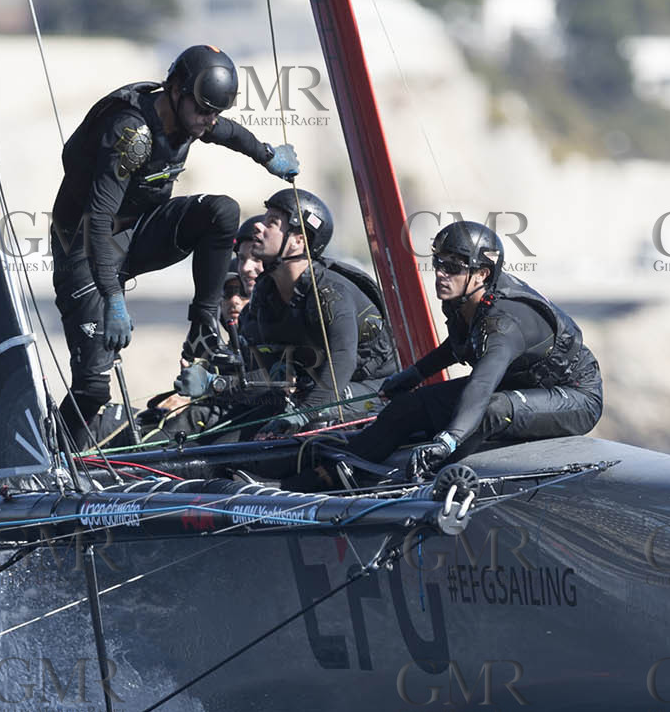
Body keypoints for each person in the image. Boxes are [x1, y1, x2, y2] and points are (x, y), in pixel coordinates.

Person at [49, 44, 300, 441]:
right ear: (175, 90)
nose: (208, 121)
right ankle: (56, 457)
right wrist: (113, 296)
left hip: (138, 232)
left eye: (213, 112)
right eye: (203, 111)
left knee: (221, 212)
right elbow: (97, 219)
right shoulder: (131, 134)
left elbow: (230, 133)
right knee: (93, 386)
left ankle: (202, 323)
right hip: (83, 243)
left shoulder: (192, 117)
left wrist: (267, 156)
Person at [292, 219, 601, 486]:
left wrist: (448, 439)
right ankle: (335, 473)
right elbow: (458, 345)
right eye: (438, 262)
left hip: (573, 395)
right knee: (410, 406)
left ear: (481, 274)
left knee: (490, 410)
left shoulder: (504, 324)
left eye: (452, 267)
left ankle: (432, 481)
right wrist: (412, 375)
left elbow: (481, 384)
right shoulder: (461, 300)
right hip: (519, 386)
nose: (440, 273)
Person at [227, 187, 397, 433]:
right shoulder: (267, 292)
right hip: (315, 385)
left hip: (377, 386)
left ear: (299, 241)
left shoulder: (331, 293)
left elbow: (342, 361)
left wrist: (304, 413)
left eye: (272, 223)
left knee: (321, 411)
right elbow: (259, 359)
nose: (258, 227)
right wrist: (217, 382)